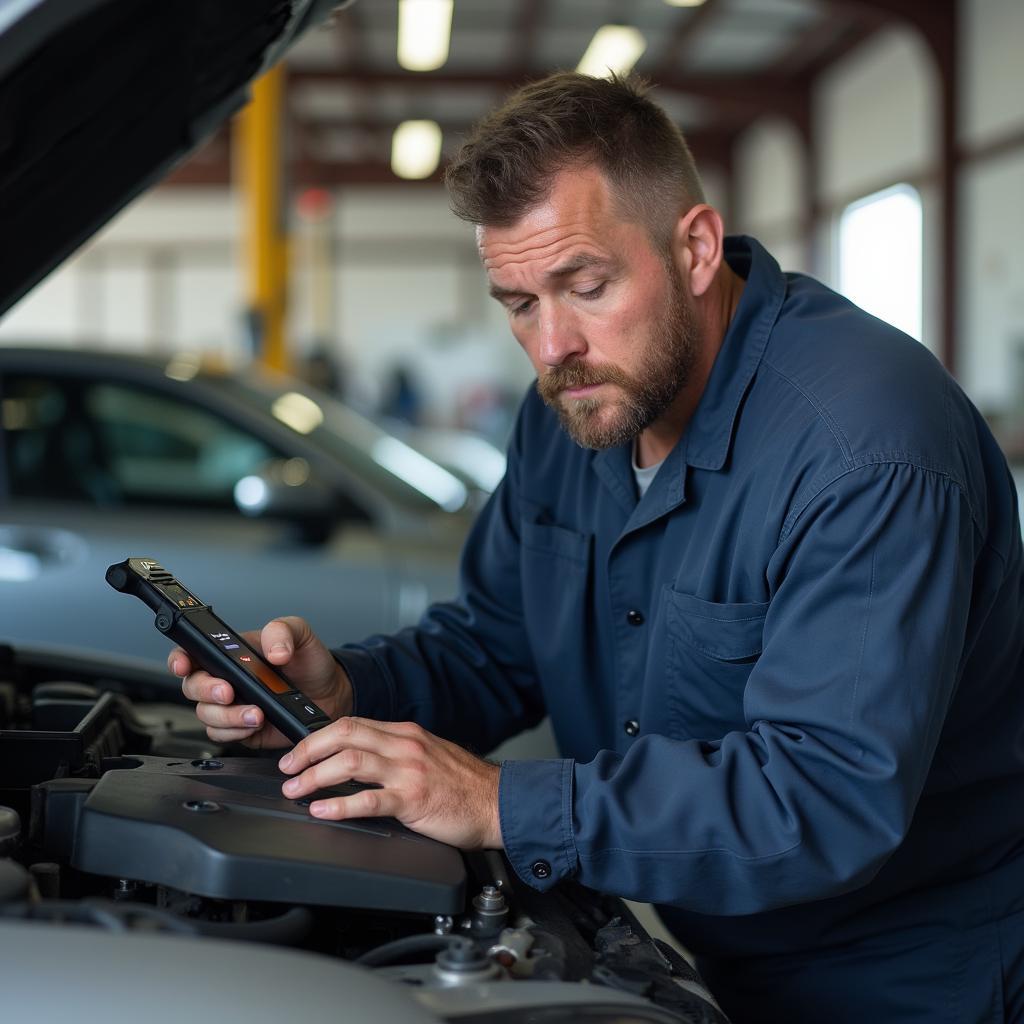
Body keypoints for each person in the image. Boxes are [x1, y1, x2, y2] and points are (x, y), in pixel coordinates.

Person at [171, 73, 1024, 1022]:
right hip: (704, 942)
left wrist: (502, 804)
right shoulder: (579, 405)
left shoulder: (867, 447)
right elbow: (499, 643)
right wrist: (346, 694)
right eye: (518, 302)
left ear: (695, 248)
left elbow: (824, 798)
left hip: (910, 970)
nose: (550, 346)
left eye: (586, 286)